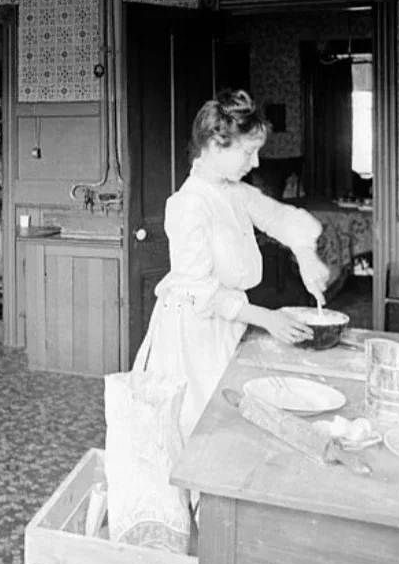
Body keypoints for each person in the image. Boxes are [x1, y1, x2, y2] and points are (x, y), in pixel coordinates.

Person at [135, 89, 331, 440]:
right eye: (248, 151)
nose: (255, 163)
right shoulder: (187, 204)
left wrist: (306, 256)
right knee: (196, 428)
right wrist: (269, 318)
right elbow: (204, 293)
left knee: (229, 422)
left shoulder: (234, 192)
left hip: (228, 324)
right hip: (192, 333)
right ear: (214, 144)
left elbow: (278, 217)